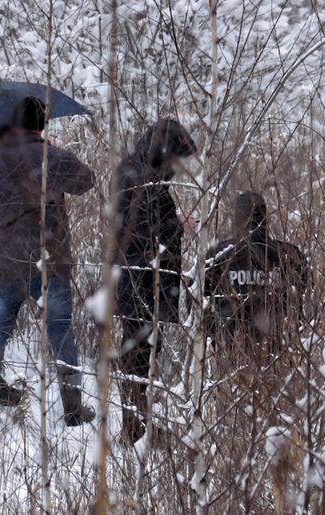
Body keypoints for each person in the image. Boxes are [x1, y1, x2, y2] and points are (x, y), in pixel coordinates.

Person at [0, 97, 96, 426]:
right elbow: (87, 181)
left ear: (12, 125)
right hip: (49, 262)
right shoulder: (52, 158)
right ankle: (72, 409)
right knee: (61, 331)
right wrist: (54, 154)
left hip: (5, 264)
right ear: (42, 124)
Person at [112, 119, 197, 444]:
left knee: (146, 350)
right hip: (138, 279)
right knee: (137, 353)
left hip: (144, 279)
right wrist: (178, 225)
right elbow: (138, 232)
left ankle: (140, 428)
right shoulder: (138, 178)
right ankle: (134, 432)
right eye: (176, 157)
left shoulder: (144, 174)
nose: (178, 166)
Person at [202, 192, 310, 347]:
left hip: (230, 351)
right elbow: (306, 298)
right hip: (278, 350)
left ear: (237, 218)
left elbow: (197, 301)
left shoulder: (218, 255)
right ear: (265, 217)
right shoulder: (289, 254)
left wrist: (215, 338)